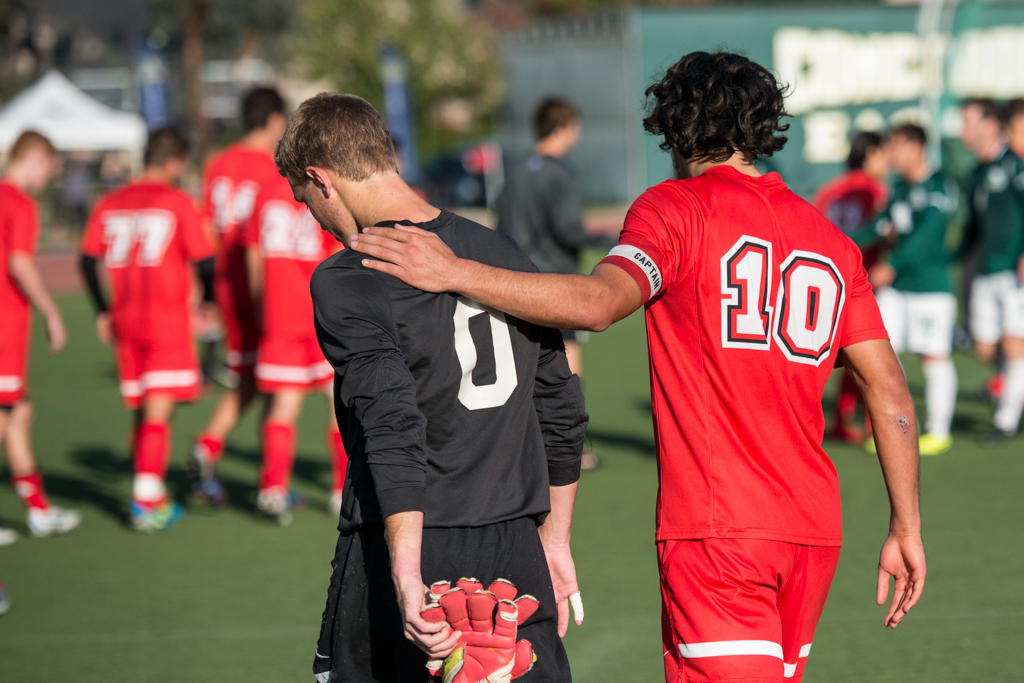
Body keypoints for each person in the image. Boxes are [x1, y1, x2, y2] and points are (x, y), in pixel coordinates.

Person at [351, 51, 927, 683]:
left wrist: (454, 271)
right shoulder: (830, 240)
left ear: (672, 126)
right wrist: (905, 524)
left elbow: (599, 304)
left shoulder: (675, 209)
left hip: (718, 532)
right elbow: (891, 393)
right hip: (812, 534)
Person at [274, 93, 588, 682]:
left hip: (409, 545)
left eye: (305, 199)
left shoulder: (348, 278)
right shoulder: (500, 253)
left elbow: (393, 422)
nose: (313, 217)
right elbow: (563, 407)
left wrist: (406, 572)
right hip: (516, 548)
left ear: (321, 178)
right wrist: (555, 541)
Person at [80, 127, 216, 532]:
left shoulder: (110, 201)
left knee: (143, 411)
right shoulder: (176, 202)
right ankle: (145, 503)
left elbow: (87, 260)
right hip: (165, 320)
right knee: (158, 410)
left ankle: (151, 492)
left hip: (126, 320)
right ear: (174, 161)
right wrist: (208, 300)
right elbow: (206, 261)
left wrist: (102, 310)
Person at [496, 98, 615, 470]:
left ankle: (523, 448)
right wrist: (612, 239)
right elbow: (568, 230)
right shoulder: (561, 173)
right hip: (556, 284)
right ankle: (570, 448)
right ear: (564, 127)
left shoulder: (514, 170)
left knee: (523, 366)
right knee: (565, 371)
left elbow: (500, 225)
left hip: (515, 281)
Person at [187, 87, 289, 505]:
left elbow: (206, 227)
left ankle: (265, 473)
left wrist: (204, 288)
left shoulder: (218, 164)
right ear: (273, 121)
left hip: (226, 282)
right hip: (261, 284)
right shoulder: (271, 168)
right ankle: (221, 452)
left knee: (261, 377)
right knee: (271, 377)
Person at [242, 170, 346, 523]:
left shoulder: (265, 192)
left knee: (284, 403)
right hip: (320, 310)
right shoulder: (321, 190)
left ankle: (273, 489)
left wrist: (262, 304)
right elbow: (336, 250)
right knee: (338, 403)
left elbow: (253, 254)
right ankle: (341, 491)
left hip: (279, 311)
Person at [853, 124, 959, 456]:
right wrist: (837, 244)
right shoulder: (898, 189)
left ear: (917, 147)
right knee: (880, 356)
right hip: (897, 290)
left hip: (929, 288)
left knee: (933, 356)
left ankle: (939, 431)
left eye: (896, 146)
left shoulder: (941, 186)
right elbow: (875, 228)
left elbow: (926, 235)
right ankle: (893, 426)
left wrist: (893, 263)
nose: (890, 154)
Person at [0, 130, 81, 539]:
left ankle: (37, 509)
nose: (49, 176)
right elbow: (19, 262)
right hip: (4, 330)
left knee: (18, 414)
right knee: (6, 419)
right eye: (49, 167)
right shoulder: (19, 202)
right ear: (34, 158)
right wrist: (51, 312)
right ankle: (38, 509)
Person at [813, 131, 891, 443]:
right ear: (870, 153)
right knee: (870, 355)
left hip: (828, 279)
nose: (887, 161)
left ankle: (839, 420)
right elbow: (885, 233)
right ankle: (874, 423)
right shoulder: (876, 190)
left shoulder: (830, 190)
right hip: (864, 281)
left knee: (832, 355)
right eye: (883, 153)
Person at [957, 98, 1024, 445]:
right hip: (986, 270)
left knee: (1015, 345)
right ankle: (1015, 387)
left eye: (968, 121)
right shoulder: (977, 172)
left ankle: (1006, 420)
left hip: (1014, 270)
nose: (962, 130)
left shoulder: (1014, 164)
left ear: (990, 125)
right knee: (985, 346)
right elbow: (973, 229)